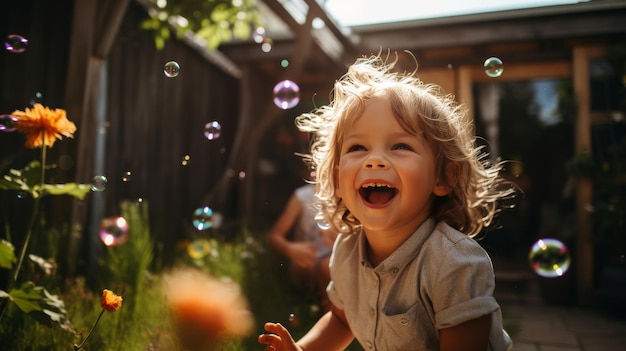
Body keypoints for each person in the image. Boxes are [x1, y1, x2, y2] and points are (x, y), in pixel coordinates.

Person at [258, 52, 517, 351]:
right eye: (358, 147)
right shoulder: (346, 251)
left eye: (400, 145)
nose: (375, 160)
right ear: (338, 177)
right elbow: (343, 320)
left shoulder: (453, 263)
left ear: (444, 178)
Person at [267, 174, 337, 309]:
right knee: (327, 268)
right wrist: (290, 249)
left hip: (337, 256)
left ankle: (334, 313)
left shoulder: (348, 196)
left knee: (332, 267)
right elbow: (274, 236)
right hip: (307, 257)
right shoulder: (303, 196)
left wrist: (336, 236)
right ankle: (335, 316)